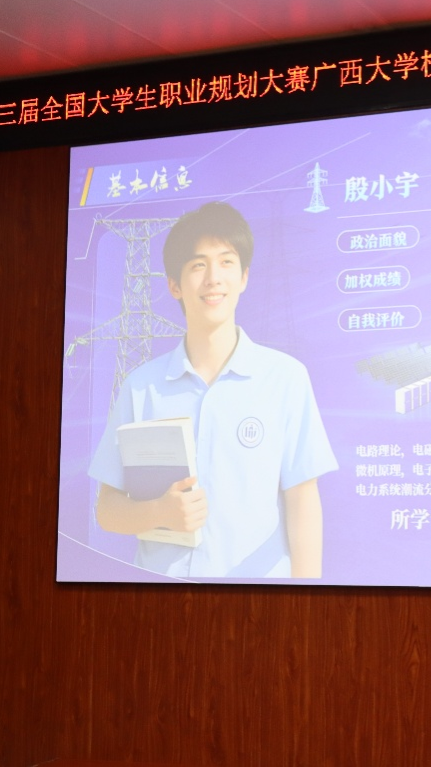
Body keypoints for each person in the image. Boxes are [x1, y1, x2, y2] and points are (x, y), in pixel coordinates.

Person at [90, 202, 337, 578]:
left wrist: (305, 602)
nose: (213, 278)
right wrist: (159, 512)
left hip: (256, 599)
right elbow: (107, 510)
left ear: (244, 277)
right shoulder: (142, 388)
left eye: (226, 262)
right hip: (160, 595)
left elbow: (303, 502)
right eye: (197, 265)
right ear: (174, 285)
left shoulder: (285, 379)